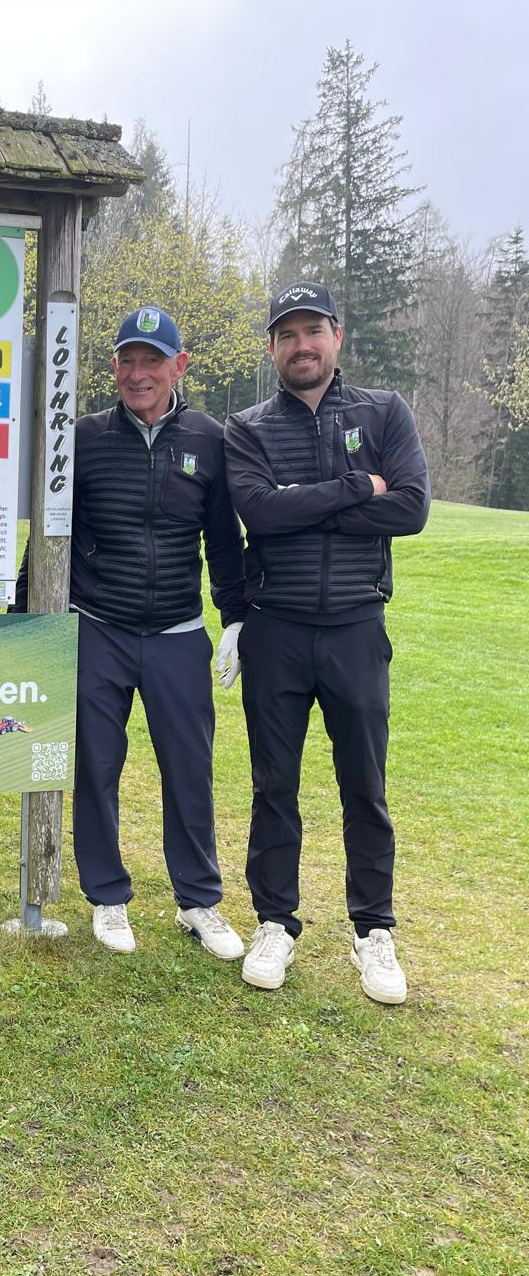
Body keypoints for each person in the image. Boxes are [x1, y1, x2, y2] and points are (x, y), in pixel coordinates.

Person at [19, 306, 248, 958]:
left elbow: (223, 541)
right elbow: (52, 531)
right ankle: (108, 896)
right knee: (96, 764)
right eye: (128, 360)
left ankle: (198, 900)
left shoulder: (209, 439)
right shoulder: (84, 437)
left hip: (178, 630)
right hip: (100, 627)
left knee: (189, 768)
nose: (139, 374)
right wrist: (21, 610)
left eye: (153, 361)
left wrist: (235, 616)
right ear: (114, 366)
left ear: (180, 366)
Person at [224, 281, 430, 1004]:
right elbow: (257, 512)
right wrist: (356, 488)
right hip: (276, 628)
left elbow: (411, 508)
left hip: (355, 627)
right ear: (272, 348)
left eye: (313, 331)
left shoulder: (384, 411)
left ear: (337, 337)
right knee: (273, 786)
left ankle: (373, 931)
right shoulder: (248, 427)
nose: (301, 345)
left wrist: (304, 506)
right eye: (287, 334)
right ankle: (275, 922)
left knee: (364, 787)